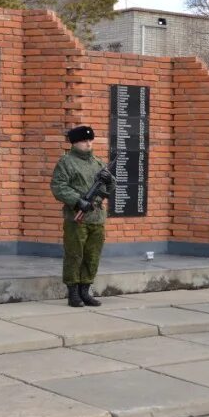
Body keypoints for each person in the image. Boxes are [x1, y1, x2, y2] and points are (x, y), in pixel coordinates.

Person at [50, 125, 115, 308]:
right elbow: (59, 186)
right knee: (74, 255)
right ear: (75, 143)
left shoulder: (98, 163)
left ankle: (85, 291)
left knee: (92, 256)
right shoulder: (66, 162)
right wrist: (78, 201)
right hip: (76, 218)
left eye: (90, 140)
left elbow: (109, 189)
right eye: (84, 141)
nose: (88, 143)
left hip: (97, 218)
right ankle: (73, 293)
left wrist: (110, 181)